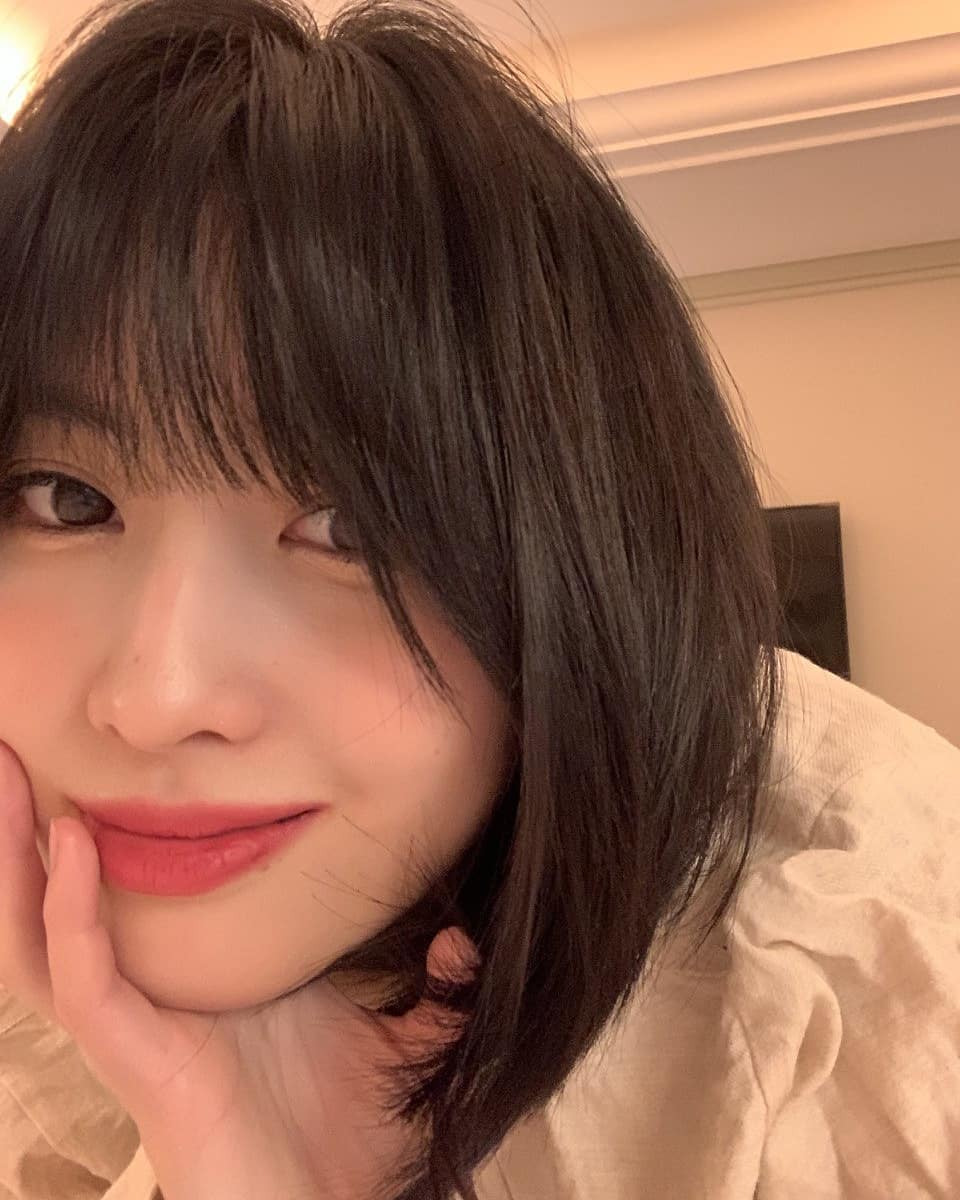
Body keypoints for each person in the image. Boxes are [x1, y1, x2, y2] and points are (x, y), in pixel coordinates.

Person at [0, 1, 957, 1198]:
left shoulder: (870, 968)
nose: (158, 699)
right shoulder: (34, 1028)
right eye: (67, 500)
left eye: (355, 525)